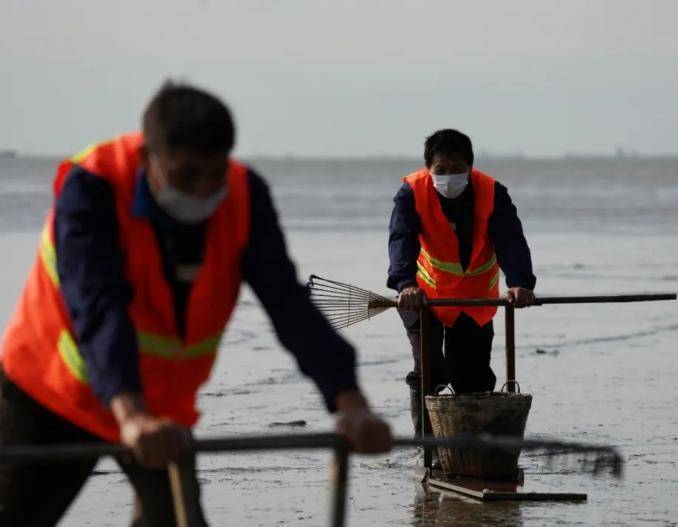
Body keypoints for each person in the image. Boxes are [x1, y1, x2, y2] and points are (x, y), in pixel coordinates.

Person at [0, 82, 391, 526]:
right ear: (149, 156)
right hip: (52, 392)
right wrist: (131, 416)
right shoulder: (94, 187)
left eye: (215, 173)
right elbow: (98, 305)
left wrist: (352, 404)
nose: (205, 191)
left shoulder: (244, 195)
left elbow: (290, 307)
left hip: (159, 412)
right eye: (188, 175)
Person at [387, 129, 536, 438]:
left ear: (470, 167)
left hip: (474, 299)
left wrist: (520, 283)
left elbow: (511, 241)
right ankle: (427, 449)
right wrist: (405, 285)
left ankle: (472, 448)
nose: (449, 177)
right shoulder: (412, 192)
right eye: (441, 170)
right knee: (429, 371)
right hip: (424, 296)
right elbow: (402, 239)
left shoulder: (493, 192)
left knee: (472, 377)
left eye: (457, 169)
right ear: (429, 168)